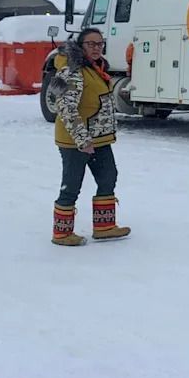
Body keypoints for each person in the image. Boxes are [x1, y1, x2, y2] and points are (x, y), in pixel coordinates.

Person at [49, 28, 131, 246]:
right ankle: (62, 233)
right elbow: (65, 108)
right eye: (91, 44)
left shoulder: (97, 68)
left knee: (108, 177)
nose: (96, 48)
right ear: (80, 45)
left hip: (100, 138)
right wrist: (82, 140)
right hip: (76, 140)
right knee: (72, 184)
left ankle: (104, 227)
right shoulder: (72, 71)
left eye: (100, 43)